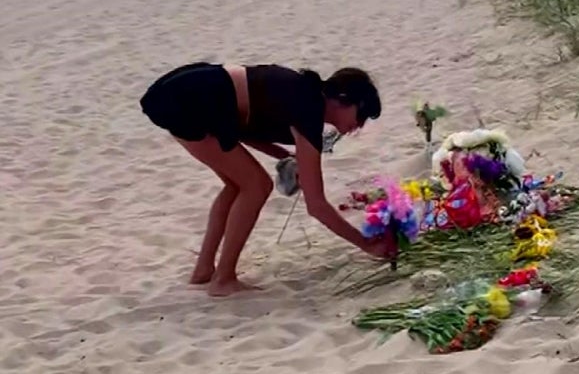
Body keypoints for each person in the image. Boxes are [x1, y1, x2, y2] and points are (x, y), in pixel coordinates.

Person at [139, 63, 391, 296]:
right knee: (256, 185)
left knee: (238, 184)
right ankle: (223, 279)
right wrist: (365, 244)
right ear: (344, 100)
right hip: (192, 100)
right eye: (361, 115)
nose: (358, 125)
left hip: (184, 93)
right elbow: (316, 205)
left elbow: (242, 129)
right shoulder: (309, 107)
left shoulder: (305, 95)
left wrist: (284, 157)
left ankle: (204, 270)